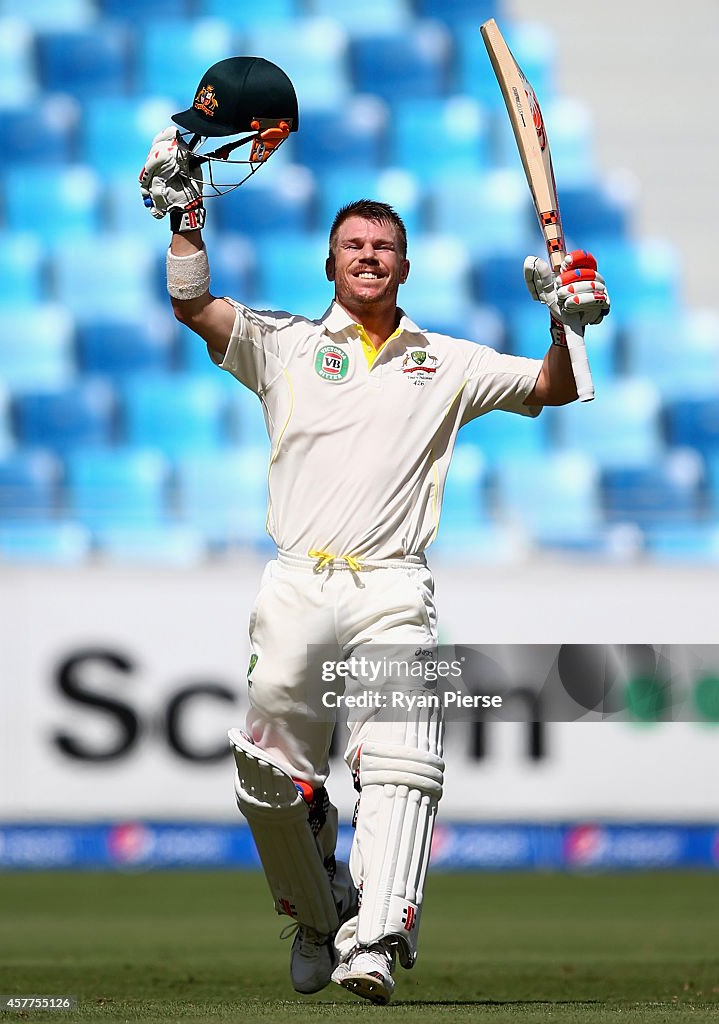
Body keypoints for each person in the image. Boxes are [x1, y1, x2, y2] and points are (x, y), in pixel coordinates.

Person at [140, 113, 609, 1005]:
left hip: (393, 586)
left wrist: (566, 321)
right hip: (296, 583)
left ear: (404, 265)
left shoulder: (446, 358)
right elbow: (194, 308)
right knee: (269, 774)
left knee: (402, 759)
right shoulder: (282, 344)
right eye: (353, 244)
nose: (369, 256)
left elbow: (551, 389)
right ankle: (319, 915)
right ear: (329, 264)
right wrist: (184, 222)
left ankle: (376, 941)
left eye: (385, 246)